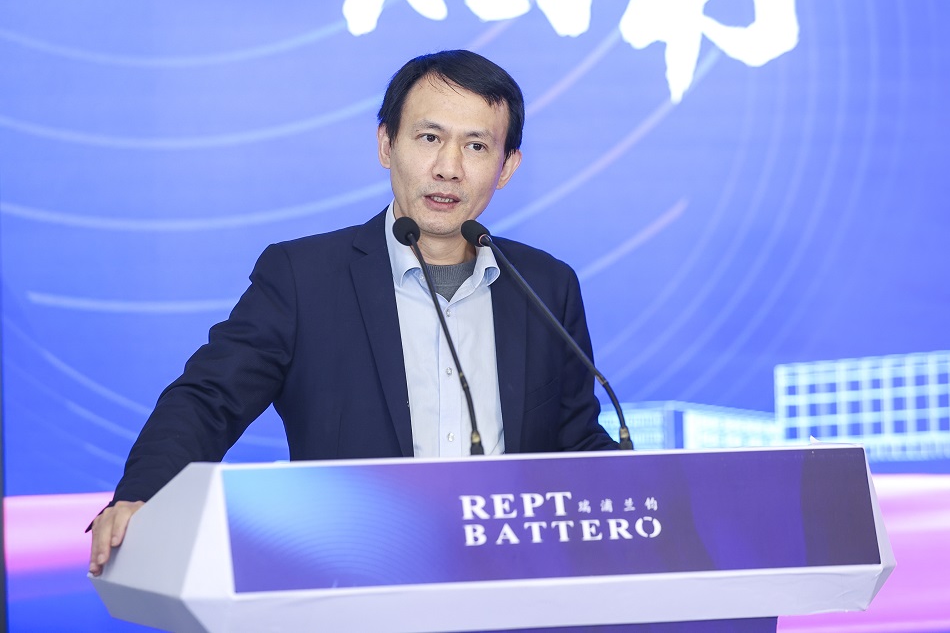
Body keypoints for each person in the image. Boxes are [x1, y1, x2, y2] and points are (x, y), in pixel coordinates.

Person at [88, 49, 617, 576]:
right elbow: (209, 400)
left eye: (476, 146)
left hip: (513, 583)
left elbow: (575, 441)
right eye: (429, 138)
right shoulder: (304, 278)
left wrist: (646, 497)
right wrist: (143, 495)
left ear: (507, 167)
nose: (448, 168)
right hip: (351, 578)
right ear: (387, 144)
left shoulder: (545, 286)